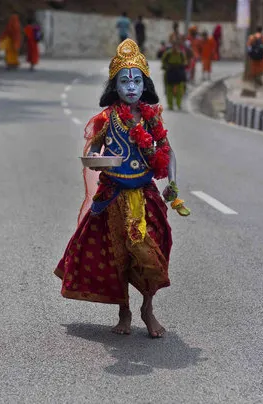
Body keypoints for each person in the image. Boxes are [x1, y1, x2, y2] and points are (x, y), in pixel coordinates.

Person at [55, 39, 189, 338]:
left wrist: (173, 186)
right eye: (124, 81)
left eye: (137, 81)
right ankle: (124, 312)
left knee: (153, 252)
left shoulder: (152, 118)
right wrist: (99, 161)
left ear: (145, 86)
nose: (131, 86)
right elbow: (93, 153)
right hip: (112, 195)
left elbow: (169, 153)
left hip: (145, 195)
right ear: (115, 87)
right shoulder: (107, 118)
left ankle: (147, 308)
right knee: (116, 257)